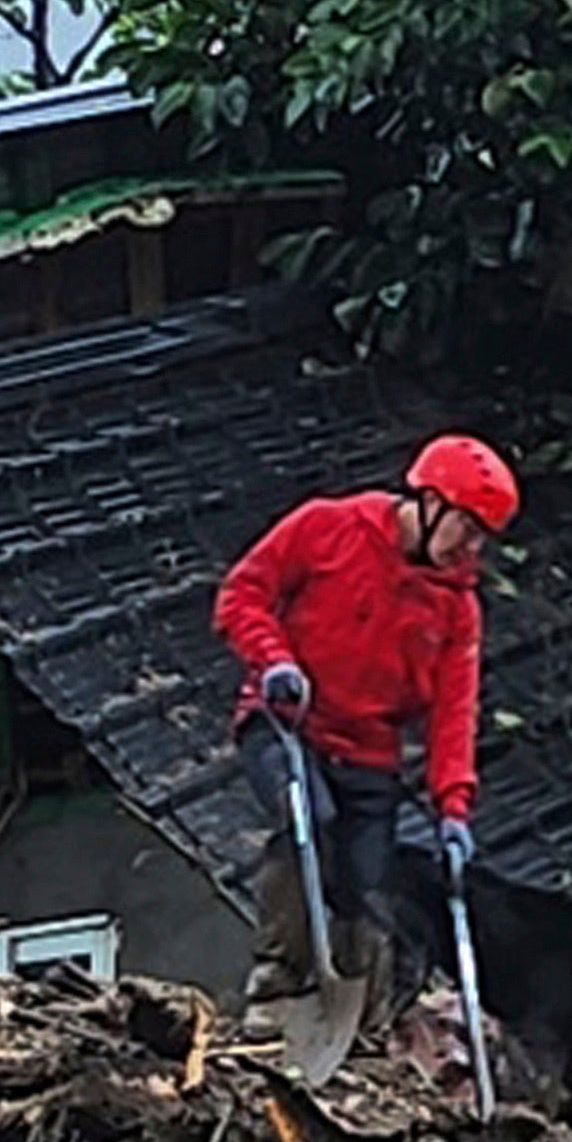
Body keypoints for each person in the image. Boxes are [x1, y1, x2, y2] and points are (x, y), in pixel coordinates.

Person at [216, 434, 515, 1027]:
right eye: (469, 527)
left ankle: (360, 1024)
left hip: (369, 753)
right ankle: (277, 985)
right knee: (309, 824)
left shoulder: (457, 607)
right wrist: (274, 659)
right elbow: (240, 594)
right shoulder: (329, 526)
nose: (472, 547)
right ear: (431, 504)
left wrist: (454, 807)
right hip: (287, 721)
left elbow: (455, 713)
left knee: (372, 887)